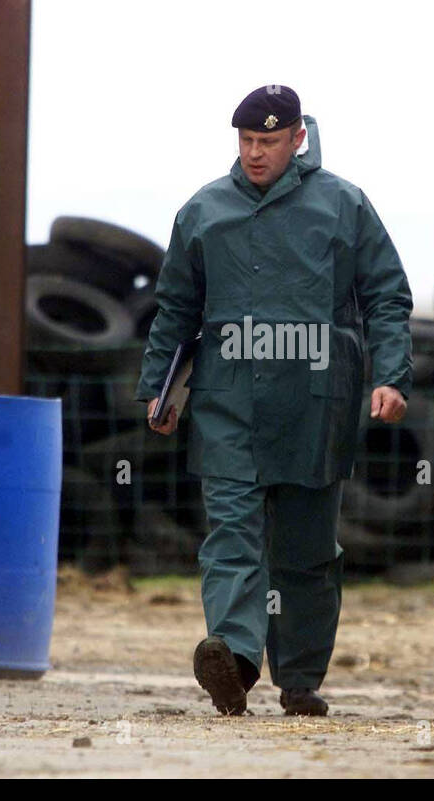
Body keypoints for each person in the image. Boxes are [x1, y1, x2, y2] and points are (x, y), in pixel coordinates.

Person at [135, 84, 413, 716]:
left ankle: (300, 679)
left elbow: (387, 296)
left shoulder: (344, 206)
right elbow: (176, 308)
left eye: (268, 141)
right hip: (226, 404)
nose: (255, 154)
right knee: (230, 534)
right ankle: (231, 659)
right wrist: (160, 389)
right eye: (246, 141)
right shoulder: (203, 212)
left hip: (317, 406)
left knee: (307, 552)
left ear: (298, 138)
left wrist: (391, 375)